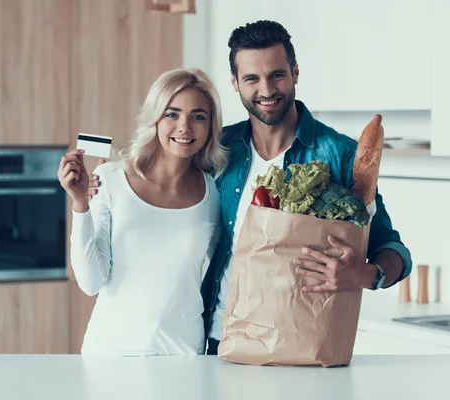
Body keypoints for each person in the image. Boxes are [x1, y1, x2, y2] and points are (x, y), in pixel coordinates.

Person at [88, 20, 412, 356]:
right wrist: (108, 182)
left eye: (277, 75)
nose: (267, 90)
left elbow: (393, 249)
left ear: (295, 72)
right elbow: (161, 168)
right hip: (216, 339)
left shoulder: (339, 154)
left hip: (301, 342)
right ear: (235, 83)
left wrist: (367, 275)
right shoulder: (219, 149)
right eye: (252, 79)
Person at [58, 68, 228, 356]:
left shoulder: (213, 193)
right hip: (110, 355)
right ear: (155, 118)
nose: (184, 127)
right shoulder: (110, 178)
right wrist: (80, 205)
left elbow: (220, 276)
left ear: (211, 126)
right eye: (172, 114)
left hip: (184, 357)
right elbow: (90, 282)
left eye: (198, 116)